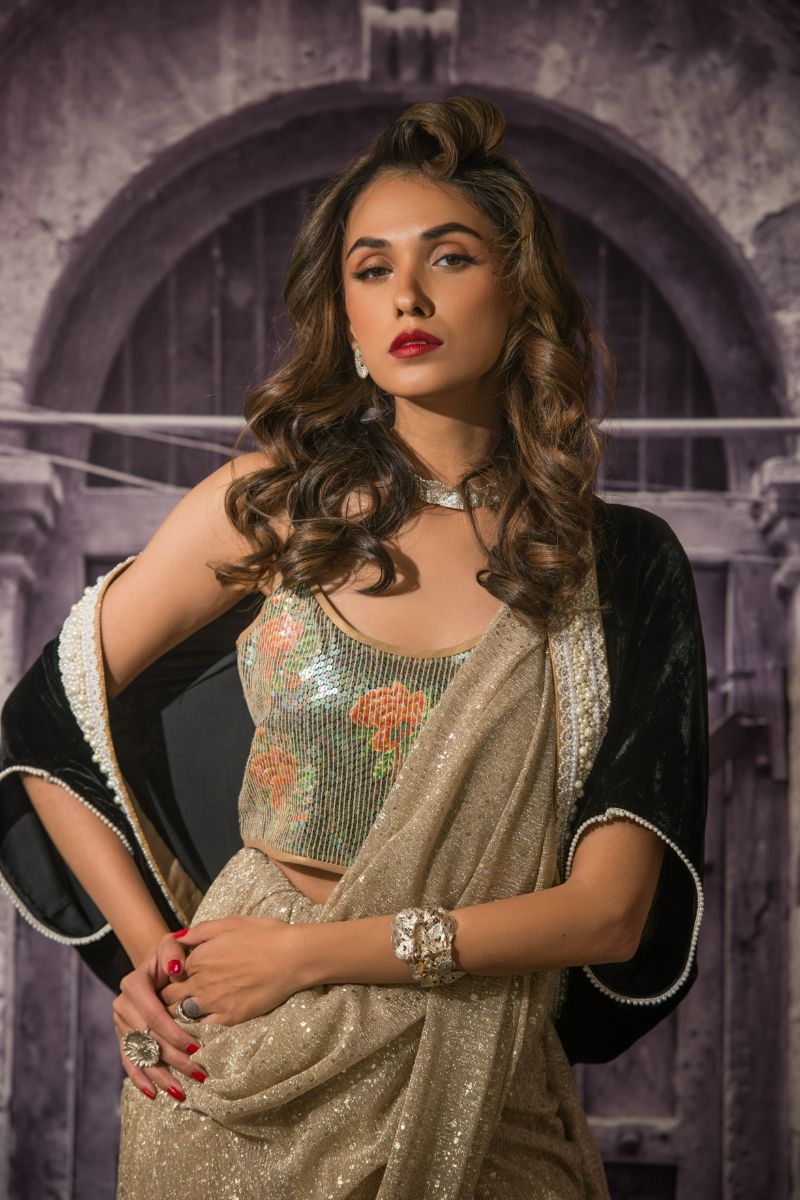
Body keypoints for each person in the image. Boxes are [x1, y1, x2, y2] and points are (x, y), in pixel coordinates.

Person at [0, 96, 708, 1199]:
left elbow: (608, 915)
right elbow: (45, 721)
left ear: (521, 291)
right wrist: (155, 954)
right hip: (236, 1066)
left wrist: (310, 955)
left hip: (480, 1071)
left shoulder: (611, 563)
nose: (406, 296)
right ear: (346, 316)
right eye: (371, 270)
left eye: (449, 257)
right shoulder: (270, 507)